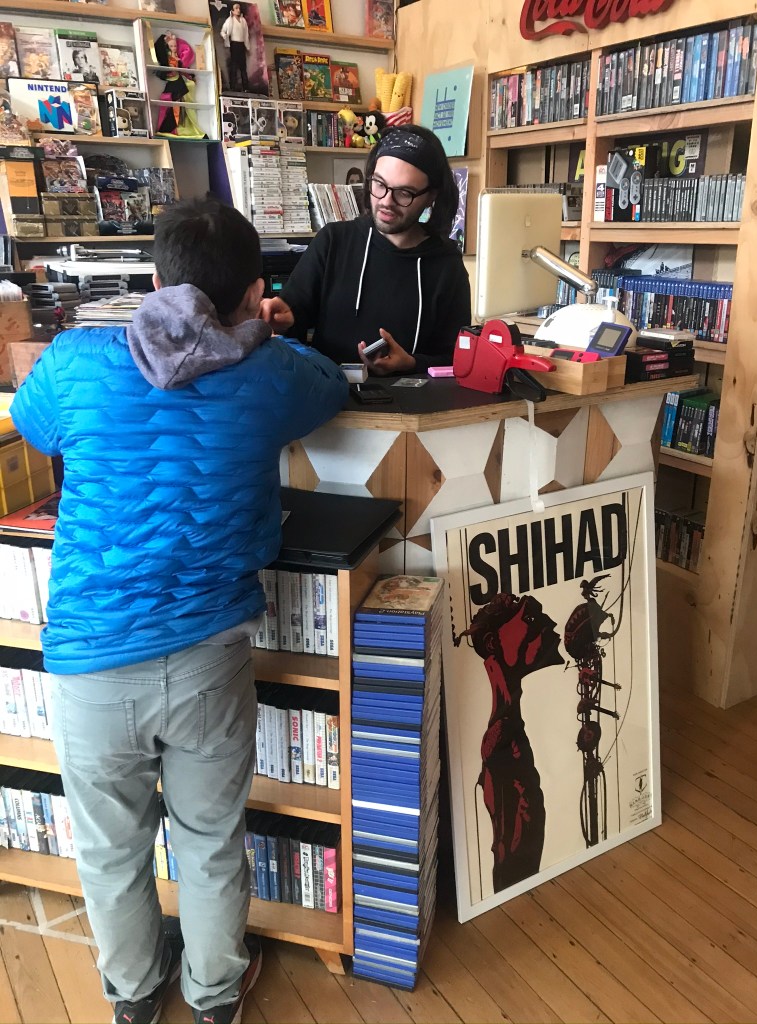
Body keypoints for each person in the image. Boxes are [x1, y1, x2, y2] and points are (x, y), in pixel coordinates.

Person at [10, 198, 348, 1024]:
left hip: (91, 659)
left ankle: (132, 996)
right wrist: (262, 332)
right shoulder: (269, 374)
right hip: (208, 654)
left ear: (156, 280)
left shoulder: (76, 358)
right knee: (209, 839)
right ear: (255, 291)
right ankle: (215, 994)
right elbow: (332, 385)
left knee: (110, 850)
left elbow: (32, 424)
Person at [260, 123, 472, 375]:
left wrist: (412, 363)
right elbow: (292, 320)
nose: (386, 201)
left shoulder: (446, 263)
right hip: (330, 393)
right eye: (379, 184)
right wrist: (283, 320)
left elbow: (457, 358)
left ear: (430, 196)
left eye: (404, 193)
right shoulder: (333, 241)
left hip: (413, 397)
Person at [454, 592, 564, 893]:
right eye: (529, 618)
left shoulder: (507, 730)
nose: (548, 624)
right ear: (493, 643)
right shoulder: (501, 738)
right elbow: (507, 850)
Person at [220, 2, 250, 93]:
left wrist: (247, 46)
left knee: (243, 67)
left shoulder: (243, 20)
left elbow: (246, 34)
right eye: (236, 8)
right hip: (234, 44)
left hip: (241, 45)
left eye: (239, 8)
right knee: (234, 66)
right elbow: (222, 31)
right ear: (232, 11)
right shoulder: (230, 20)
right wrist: (225, 36)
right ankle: (232, 86)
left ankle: (245, 87)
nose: (238, 10)